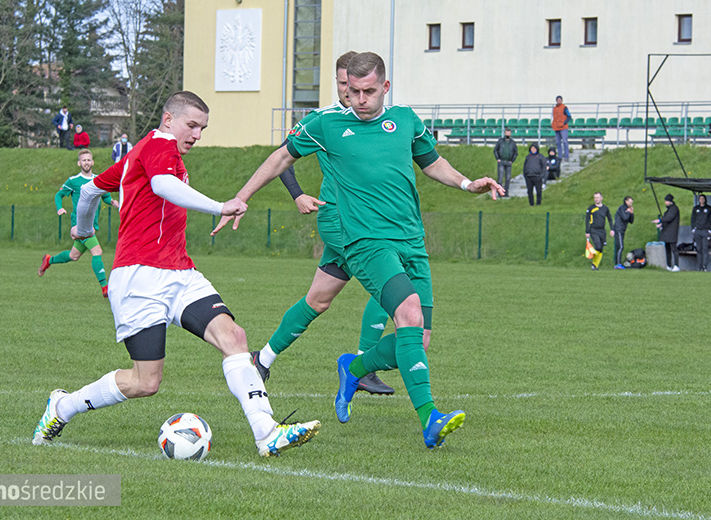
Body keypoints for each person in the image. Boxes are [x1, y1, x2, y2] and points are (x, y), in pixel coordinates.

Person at [213, 52, 504, 449]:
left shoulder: (405, 120)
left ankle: (354, 367)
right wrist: (242, 196)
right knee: (408, 313)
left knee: (417, 340)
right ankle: (429, 418)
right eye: (352, 91)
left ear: (385, 87)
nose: (359, 99)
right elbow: (281, 156)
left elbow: (432, 163)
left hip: (411, 241)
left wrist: (467, 183)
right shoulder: (326, 123)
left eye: (369, 91)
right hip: (363, 241)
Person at [32, 91, 321, 458]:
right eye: (192, 125)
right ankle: (62, 407)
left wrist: (84, 228)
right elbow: (162, 186)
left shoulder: (143, 155)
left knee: (233, 336)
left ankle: (267, 432)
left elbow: (89, 192)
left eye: (202, 128)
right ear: (169, 120)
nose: (198, 134)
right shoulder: (159, 145)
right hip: (139, 278)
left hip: (180, 273)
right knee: (145, 382)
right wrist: (219, 207)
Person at [249, 51, 395, 395]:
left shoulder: (373, 120)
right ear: (337, 82)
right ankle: (361, 365)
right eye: (344, 84)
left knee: (318, 299)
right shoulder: (326, 120)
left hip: (362, 222)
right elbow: (282, 156)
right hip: (344, 223)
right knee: (393, 280)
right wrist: (297, 193)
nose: (350, 92)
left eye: (355, 85)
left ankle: (263, 359)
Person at [38, 149, 119, 297]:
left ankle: (49, 260)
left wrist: (112, 202)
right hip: (79, 225)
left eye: (89, 160)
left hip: (91, 225)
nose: (86, 163)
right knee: (97, 251)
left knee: (73, 256)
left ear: (92, 162)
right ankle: (105, 287)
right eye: (84, 160)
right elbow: (59, 194)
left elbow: (105, 196)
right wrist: (60, 208)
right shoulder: (74, 181)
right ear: (79, 163)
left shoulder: (98, 179)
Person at [585, 192, 614, 270]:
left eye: (597, 197)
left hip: (602, 231)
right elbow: (587, 220)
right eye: (595, 197)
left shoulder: (605, 208)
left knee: (600, 248)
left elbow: (610, 219)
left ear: (601, 198)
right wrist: (587, 231)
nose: (596, 199)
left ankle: (595, 265)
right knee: (597, 246)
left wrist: (612, 229)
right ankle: (594, 264)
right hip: (593, 230)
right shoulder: (590, 208)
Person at [652, 194, 680, 272]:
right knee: (667, 249)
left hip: (672, 232)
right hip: (666, 232)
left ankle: (676, 265)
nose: (665, 202)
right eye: (665, 201)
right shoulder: (668, 210)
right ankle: (668, 265)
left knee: (674, 249)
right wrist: (661, 224)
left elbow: (669, 218)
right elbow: (666, 220)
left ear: (670, 201)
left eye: (667, 201)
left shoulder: (674, 209)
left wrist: (660, 220)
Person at [691, 194, 711, 271]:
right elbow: (692, 219)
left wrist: (710, 229)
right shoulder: (696, 208)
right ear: (699, 200)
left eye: (703, 199)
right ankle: (699, 266)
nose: (701, 200)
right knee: (699, 249)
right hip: (697, 231)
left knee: (705, 249)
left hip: (705, 231)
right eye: (700, 199)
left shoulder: (709, 208)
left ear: (705, 199)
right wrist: (693, 229)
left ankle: (705, 266)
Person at [493, 128, 518, 196]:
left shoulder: (513, 142)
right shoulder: (500, 141)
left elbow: (516, 152)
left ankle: (506, 193)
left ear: (510, 134)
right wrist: (497, 158)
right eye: (506, 133)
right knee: (500, 178)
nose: (508, 134)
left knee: (508, 178)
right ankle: (499, 193)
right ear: (504, 133)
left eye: (509, 133)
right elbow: (495, 150)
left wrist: (512, 160)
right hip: (501, 161)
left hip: (508, 162)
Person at [613, 196, 634, 269]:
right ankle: (618, 264)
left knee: (619, 246)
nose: (631, 204)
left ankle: (616, 264)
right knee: (620, 246)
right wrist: (628, 212)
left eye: (632, 203)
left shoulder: (627, 209)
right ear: (626, 201)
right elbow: (625, 217)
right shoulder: (622, 208)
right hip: (618, 229)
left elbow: (631, 221)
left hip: (623, 230)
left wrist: (631, 213)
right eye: (630, 202)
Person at [551, 95, 571, 160]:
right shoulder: (554, 108)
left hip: (563, 128)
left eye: (560, 100)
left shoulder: (564, 108)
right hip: (556, 128)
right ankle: (559, 156)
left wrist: (563, 123)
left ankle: (566, 156)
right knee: (558, 142)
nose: (559, 101)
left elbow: (569, 116)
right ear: (556, 101)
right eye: (558, 100)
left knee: (565, 142)